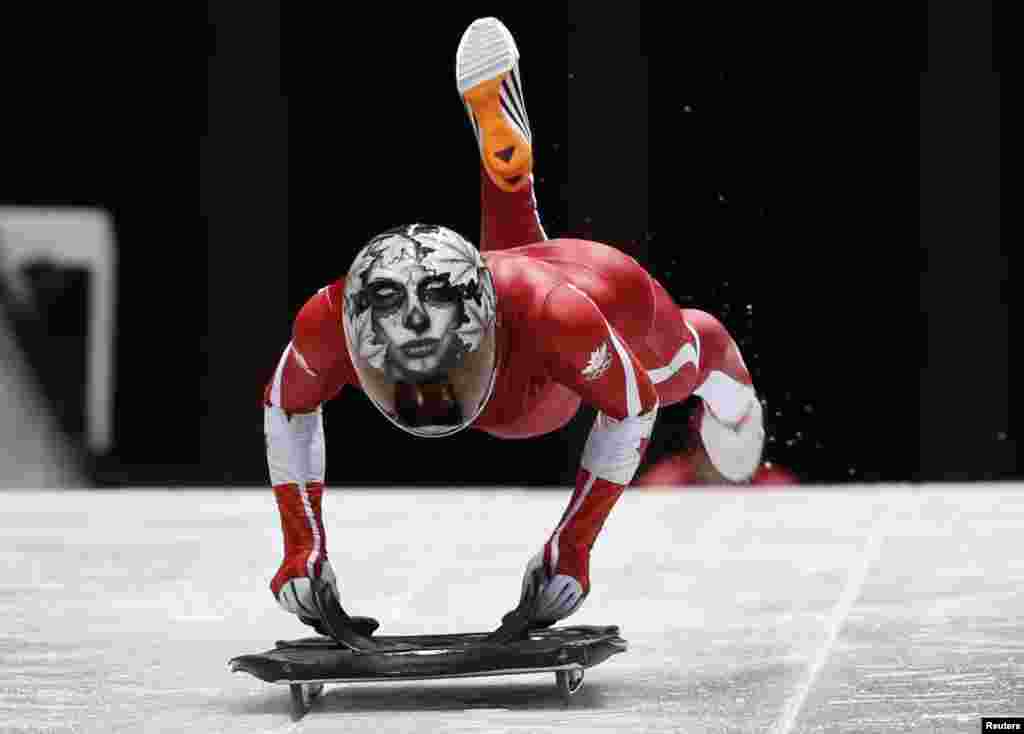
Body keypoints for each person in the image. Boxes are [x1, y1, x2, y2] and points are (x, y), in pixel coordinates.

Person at [263, 17, 765, 637]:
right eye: (406, 364)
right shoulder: (332, 318)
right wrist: (300, 545)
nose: (425, 383)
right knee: (514, 293)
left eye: (441, 360)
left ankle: (734, 397)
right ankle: (507, 173)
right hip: (519, 306)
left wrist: (573, 547)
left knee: (678, 368)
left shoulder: (564, 317)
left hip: (583, 302)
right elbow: (285, 406)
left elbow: (633, 409)